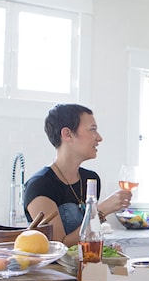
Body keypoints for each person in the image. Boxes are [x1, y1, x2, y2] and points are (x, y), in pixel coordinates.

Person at [23, 104, 132, 247]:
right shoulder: (40, 185)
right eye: (92, 129)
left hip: (86, 268)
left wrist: (106, 251)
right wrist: (101, 210)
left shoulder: (91, 179)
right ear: (67, 134)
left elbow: (90, 237)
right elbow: (59, 247)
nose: (99, 138)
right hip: (56, 269)